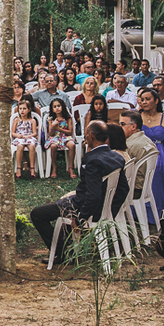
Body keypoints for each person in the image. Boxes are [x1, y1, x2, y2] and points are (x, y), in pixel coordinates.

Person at [30, 121, 129, 263]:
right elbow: (124, 189)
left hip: (85, 207)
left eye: (86, 134)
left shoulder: (93, 160)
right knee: (63, 202)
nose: (85, 137)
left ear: (91, 136)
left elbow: (93, 196)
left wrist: (81, 218)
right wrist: (110, 210)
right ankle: (68, 247)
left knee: (37, 214)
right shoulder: (116, 156)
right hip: (101, 206)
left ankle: (61, 253)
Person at [137, 87, 164, 217]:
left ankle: (157, 210)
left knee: (157, 169)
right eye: (142, 100)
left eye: (148, 99)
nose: (144, 102)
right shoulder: (137, 117)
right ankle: (140, 211)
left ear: (156, 101)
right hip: (141, 151)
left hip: (158, 151)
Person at [120, 110, 156, 192]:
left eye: (122, 124)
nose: (119, 127)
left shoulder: (129, 145)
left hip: (133, 189)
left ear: (133, 126)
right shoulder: (147, 140)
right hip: (146, 187)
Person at [45, 98, 76, 179]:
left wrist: (59, 129)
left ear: (62, 106)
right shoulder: (51, 119)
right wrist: (52, 127)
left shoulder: (68, 118)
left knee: (72, 145)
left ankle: (70, 167)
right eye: (54, 106)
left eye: (58, 106)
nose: (57, 108)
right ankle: (54, 167)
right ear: (52, 109)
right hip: (55, 137)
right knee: (53, 146)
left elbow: (70, 132)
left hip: (65, 136)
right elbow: (50, 134)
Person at [11, 99, 40, 179]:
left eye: (24, 109)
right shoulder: (16, 120)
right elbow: (12, 132)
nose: (22, 111)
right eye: (20, 109)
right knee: (20, 146)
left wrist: (28, 136)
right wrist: (18, 135)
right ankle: (19, 168)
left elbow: (34, 133)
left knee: (32, 146)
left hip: (29, 137)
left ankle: (32, 168)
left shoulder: (32, 120)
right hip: (19, 137)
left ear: (29, 110)